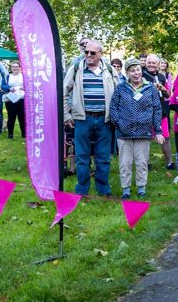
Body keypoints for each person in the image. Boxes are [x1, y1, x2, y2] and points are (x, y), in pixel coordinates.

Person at [64, 40, 116, 196]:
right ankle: (82, 190)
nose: (88, 55)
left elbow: (120, 93)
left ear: (100, 54)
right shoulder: (76, 69)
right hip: (82, 119)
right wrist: (66, 115)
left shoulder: (109, 70)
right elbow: (64, 92)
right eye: (86, 52)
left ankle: (103, 189)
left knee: (103, 157)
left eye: (92, 53)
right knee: (82, 157)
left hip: (104, 120)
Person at [109, 58, 164, 199]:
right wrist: (118, 123)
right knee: (125, 163)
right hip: (123, 132)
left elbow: (157, 109)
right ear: (127, 72)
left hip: (144, 132)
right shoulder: (120, 88)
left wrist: (157, 130)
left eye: (138, 70)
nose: (136, 73)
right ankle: (126, 190)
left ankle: (141, 189)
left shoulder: (150, 88)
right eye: (132, 70)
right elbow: (113, 107)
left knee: (141, 162)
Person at [143, 54, 175, 170]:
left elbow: (168, 94)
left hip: (161, 111)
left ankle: (169, 162)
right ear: (146, 63)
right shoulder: (140, 75)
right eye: (149, 62)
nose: (151, 65)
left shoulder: (162, 76)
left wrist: (163, 89)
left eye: (153, 63)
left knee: (165, 137)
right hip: (145, 112)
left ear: (158, 64)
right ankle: (145, 164)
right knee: (145, 139)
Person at [4, 61, 25, 139]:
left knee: (22, 117)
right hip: (11, 99)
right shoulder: (8, 76)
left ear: (19, 67)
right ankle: (10, 135)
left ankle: (24, 134)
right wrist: (9, 88)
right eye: (13, 67)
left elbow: (29, 85)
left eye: (16, 66)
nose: (15, 68)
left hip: (22, 99)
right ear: (11, 68)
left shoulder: (24, 76)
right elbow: (3, 85)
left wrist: (25, 87)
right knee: (11, 117)